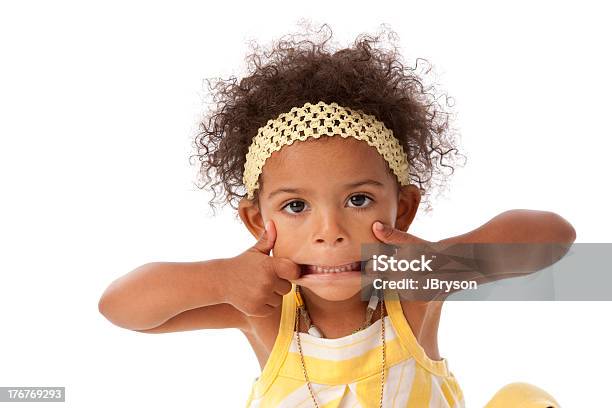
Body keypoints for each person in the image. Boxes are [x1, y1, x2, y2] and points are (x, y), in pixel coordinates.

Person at [99, 23, 573, 407]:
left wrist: (448, 264)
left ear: (403, 209)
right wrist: (221, 279)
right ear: (256, 221)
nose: (329, 233)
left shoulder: (413, 298)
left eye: (358, 200)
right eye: (296, 207)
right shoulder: (262, 313)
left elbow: (555, 238)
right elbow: (120, 307)